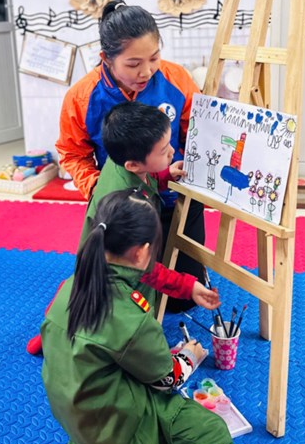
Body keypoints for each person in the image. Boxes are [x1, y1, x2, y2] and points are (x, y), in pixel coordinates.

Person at [40, 189, 233, 444]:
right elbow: (167, 380)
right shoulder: (131, 316)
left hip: (74, 412)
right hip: (112, 427)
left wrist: (186, 287)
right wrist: (190, 355)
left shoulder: (72, 284)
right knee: (217, 438)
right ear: (142, 252)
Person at [56, 0, 206, 283]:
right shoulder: (82, 97)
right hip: (126, 207)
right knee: (127, 288)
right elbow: (72, 154)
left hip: (176, 197)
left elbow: (197, 133)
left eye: (154, 58)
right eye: (134, 64)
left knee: (182, 294)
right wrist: (101, 190)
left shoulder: (175, 78)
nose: (146, 71)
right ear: (106, 58)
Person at [79, 101, 217, 312]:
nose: (172, 152)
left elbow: (144, 180)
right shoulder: (127, 207)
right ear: (133, 165)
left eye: (169, 144)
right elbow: (144, 269)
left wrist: (165, 175)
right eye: (163, 151)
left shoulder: (118, 160)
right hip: (113, 286)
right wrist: (187, 286)